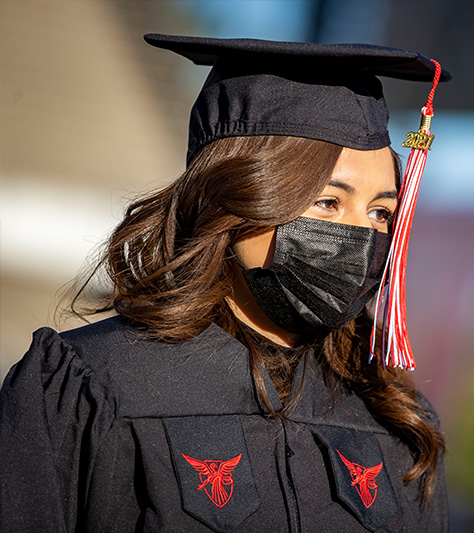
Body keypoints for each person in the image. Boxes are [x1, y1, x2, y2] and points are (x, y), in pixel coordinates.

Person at [0, 34, 450, 532]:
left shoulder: (394, 422)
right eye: (327, 202)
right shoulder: (92, 384)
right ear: (235, 198)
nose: (361, 236)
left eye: (382, 212)